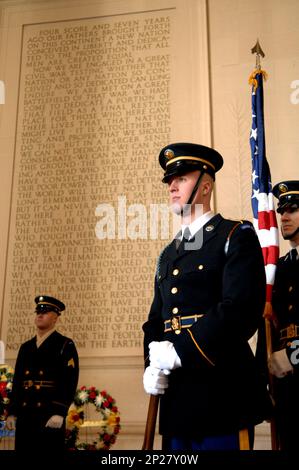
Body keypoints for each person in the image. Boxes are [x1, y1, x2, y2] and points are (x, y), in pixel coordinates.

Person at [142, 142, 272, 451]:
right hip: (176, 402)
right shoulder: (168, 254)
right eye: (169, 181)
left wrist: (180, 351)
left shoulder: (234, 234)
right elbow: (155, 321)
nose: (172, 186)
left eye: (182, 178)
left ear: (205, 185)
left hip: (222, 394)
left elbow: (240, 310)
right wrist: (150, 362)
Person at [6, 295, 79, 454]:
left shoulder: (65, 345)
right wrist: (11, 412)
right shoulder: (26, 347)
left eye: (45, 312)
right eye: (38, 311)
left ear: (55, 318)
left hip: (49, 415)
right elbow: (18, 381)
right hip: (25, 415)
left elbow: (69, 381)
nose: (39, 315)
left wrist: (60, 412)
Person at [267, 180, 299, 450]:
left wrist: (293, 356)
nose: (284, 217)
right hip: (285, 387)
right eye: (281, 211)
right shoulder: (280, 269)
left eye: (293, 210)